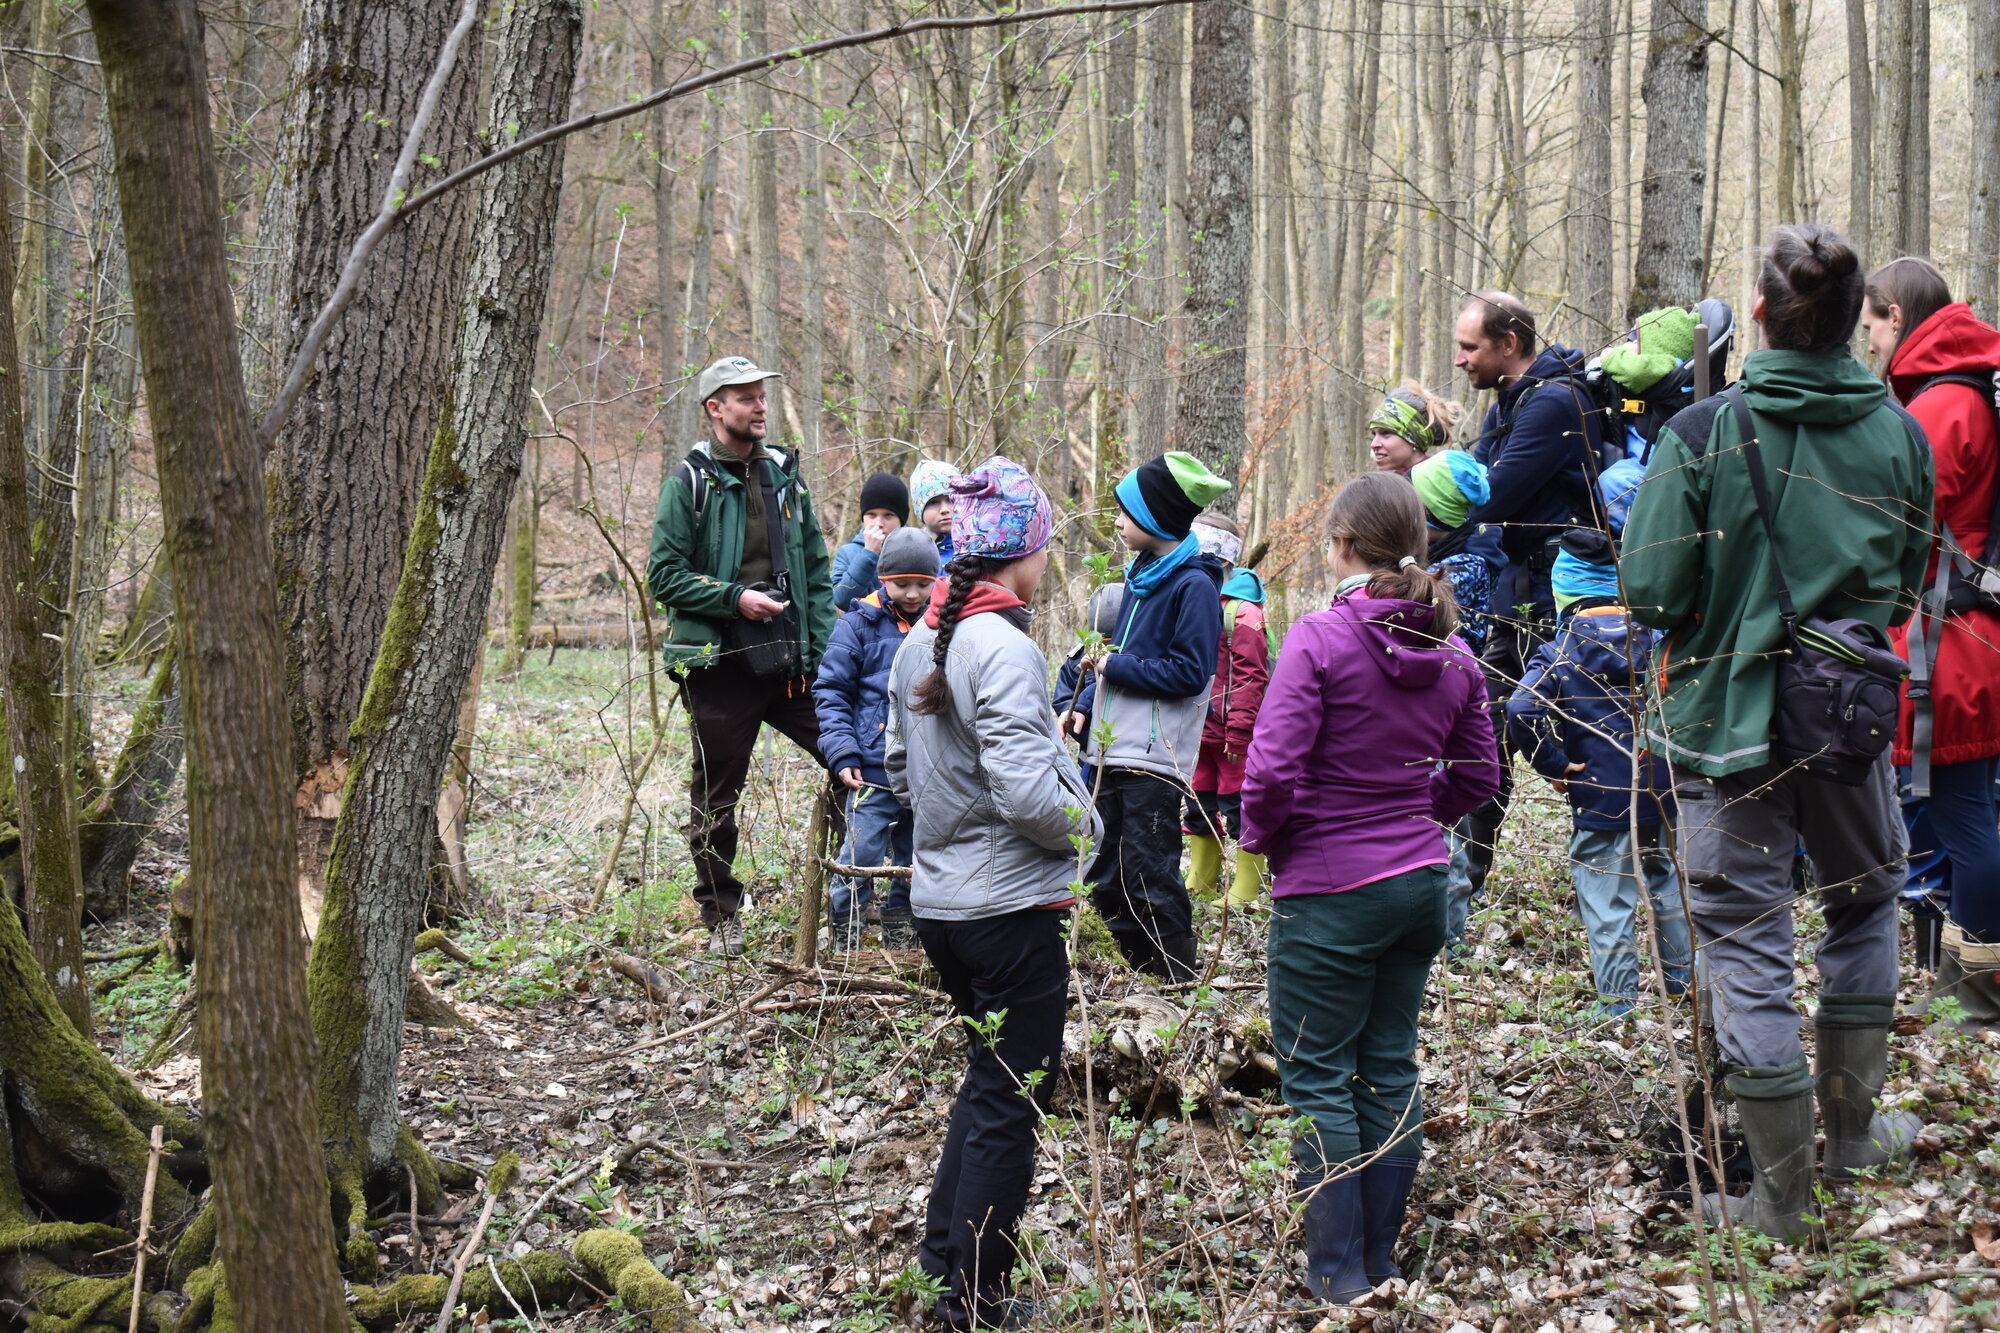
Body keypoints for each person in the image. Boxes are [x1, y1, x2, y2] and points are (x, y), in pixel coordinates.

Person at [1623, 224, 1934, 1239]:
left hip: (1725, 728)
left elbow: (1649, 591)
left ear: (1756, 311)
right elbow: (1904, 585)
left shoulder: (1701, 432)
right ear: (1851, 320)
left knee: (1746, 941)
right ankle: (1850, 1137)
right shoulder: (1899, 435)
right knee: (1866, 903)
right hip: (1849, 720)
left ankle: (1781, 1200)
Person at [1240, 472, 1501, 1304]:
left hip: (1331, 884)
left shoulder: (1319, 638)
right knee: (1388, 1064)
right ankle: (1379, 1262)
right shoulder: (1454, 651)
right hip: (1420, 883)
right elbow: (1481, 776)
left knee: (1319, 1075)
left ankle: (1338, 1271)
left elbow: (1270, 771)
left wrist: (1267, 841)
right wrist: (1414, 817)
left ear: (1344, 546)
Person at [885, 457, 1098, 1332]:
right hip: (1007, 915)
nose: (1048, 561)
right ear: (1023, 550)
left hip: (944, 908)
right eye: (1045, 545)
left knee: (988, 1085)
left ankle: (944, 1268)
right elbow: (1023, 792)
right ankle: (974, 1303)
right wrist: (1088, 827)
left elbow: (900, 770)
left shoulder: (920, 640)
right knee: (1012, 1104)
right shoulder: (1003, 645)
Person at [648, 356, 837, 958]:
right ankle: (721, 914)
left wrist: (825, 654)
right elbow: (664, 576)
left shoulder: (785, 478)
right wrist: (734, 599)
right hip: (720, 666)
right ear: (715, 408)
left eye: (762, 396)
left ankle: (849, 894)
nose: (760, 407)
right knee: (717, 797)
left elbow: (816, 573)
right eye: (746, 397)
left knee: (852, 758)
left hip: (791, 661)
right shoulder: (689, 485)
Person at [1862, 257, 2000, 1030]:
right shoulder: (1963, 388)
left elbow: (1904, 524)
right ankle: (1960, 984)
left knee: (1965, 819)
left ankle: (1975, 996)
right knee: (1965, 814)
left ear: (1897, 315)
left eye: (1873, 326)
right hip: (1963, 638)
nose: (1870, 343)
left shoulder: (1944, 403)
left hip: (1951, 645)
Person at [1060, 452, 1232, 982]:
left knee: (1149, 873)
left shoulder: (1193, 586)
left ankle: (1177, 980)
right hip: (1112, 750)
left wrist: (1113, 665)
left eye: (1126, 513)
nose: (1117, 523)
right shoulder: (1141, 575)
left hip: (1153, 758)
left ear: (1156, 517)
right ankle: (1136, 974)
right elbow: (1119, 657)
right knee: (1104, 872)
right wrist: (1083, 706)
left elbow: (1190, 672)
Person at [1505, 528, 1691, 1018]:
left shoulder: (1561, 649)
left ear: (1564, 586)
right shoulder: (1658, 640)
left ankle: (1618, 1004)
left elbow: (1521, 709)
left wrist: (1554, 763)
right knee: (1667, 880)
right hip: (1664, 785)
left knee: (1607, 897)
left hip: (1600, 794)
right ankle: (1683, 984)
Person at [1453, 290, 1607, 679]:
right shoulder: (1506, 406)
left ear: (1508, 343)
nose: (1459, 359)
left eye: (1470, 347)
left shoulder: (1554, 403)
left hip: (1553, 601)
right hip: (1516, 598)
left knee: (1541, 712)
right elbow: (1474, 485)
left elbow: (1486, 500)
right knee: (1483, 710)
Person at [813, 527, 939, 953]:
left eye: (923, 584)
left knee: (917, 852)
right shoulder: (857, 624)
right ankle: (846, 933)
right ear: (883, 579)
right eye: (902, 584)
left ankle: (902, 930)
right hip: (872, 766)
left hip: (929, 767)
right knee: (860, 850)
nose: (913, 594)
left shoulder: (944, 625)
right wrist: (842, 751)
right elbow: (831, 691)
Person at [1407, 450, 1509, 948]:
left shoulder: (1463, 567)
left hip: (1443, 702)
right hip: (1424, 698)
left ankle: (1448, 936)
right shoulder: (1445, 556)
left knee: (1444, 824)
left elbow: (1419, 613)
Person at [1182, 514, 1271, 907]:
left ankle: (1247, 885)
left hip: (1230, 733)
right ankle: (1203, 874)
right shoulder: (1190, 598)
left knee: (1240, 807)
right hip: (1195, 729)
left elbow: (1251, 676)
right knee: (1198, 801)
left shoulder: (1243, 612)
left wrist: (1239, 731)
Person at [829, 471, 910, 612]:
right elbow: (841, 599)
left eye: (888, 515)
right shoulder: (846, 553)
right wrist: (868, 554)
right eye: (871, 515)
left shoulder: (913, 550)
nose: (878, 523)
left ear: (901, 520)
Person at [1369, 383, 1463, 475]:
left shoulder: (1435, 480)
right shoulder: (1391, 481)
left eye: (1386, 433)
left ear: (1415, 438)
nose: (1373, 444)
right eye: (1374, 434)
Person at [909, 457, 958, 565]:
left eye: (950, 500)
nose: (944, 509)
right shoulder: (912, 553)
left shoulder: (975, 550)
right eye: (933, 502)